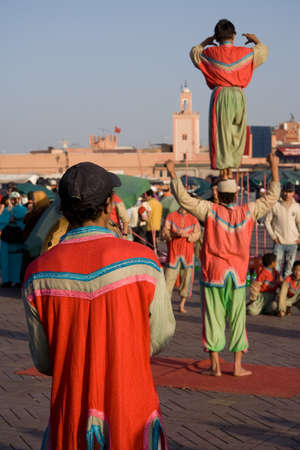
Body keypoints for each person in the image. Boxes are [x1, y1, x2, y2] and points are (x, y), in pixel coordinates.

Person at [23, 162, 175, 450]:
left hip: (72, 417)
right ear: (109, 205)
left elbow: (44, 361)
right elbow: (161, 334)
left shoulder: (37, 274)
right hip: (132, 408)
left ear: (62, 209)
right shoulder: (144, 263)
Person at [165, 154, 280, 376]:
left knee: (213, 317)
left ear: (220, 194)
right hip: (237, 275)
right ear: (236, 194)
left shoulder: (209, 210)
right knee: (238, 317)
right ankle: (237, 366)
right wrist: (274, 167)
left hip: (213, 274)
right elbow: (272, 197)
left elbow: (184, 199)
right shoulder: (248, 211)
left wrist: (172, 172)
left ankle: (215, 366)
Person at [189, 19, 268, 179]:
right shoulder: (245, 53)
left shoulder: (210, 53)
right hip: (239, 95)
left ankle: (224, 175)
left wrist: (206, 42)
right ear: (234, 35)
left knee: (221, 134)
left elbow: (194, 53)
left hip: (221, 95)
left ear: (216, 37)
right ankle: (231, 171)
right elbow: (263, 52)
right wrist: (256, 40)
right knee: (236, 133)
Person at [162, 207, 201, 313]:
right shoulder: (171, 216)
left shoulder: (193, 219)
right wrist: (173, 235)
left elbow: (197, 233)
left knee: (187, 280)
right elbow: (164, 233)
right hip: (173, 254)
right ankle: (166, 304)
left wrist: (188, 236)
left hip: (188, 254)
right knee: (168, 279)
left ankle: (181, 304)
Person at [265, 182, 300, 278]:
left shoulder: (296, 206)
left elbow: (299, 222)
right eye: (285, 191)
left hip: (293, 243)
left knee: (289, 269)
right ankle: (275, 289)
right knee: (276, 268)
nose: (287, 194)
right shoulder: (275, 205)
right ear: (281, 192)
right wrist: (273, 236)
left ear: (293, 193)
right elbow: (267, 222)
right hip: (279, 242)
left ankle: (286, 291)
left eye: (290, 192)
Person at [0, 191, 27, 287]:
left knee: (16, 260)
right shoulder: (8, 210)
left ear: (19, 199)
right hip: (10, 239)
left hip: (15, 239)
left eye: (16, 199)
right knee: (6, 260)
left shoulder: (21, 210)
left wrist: (14, 221)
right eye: (13, 199)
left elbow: (24, 224)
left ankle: (15, 280)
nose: (15, 201)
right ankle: (7, 280)